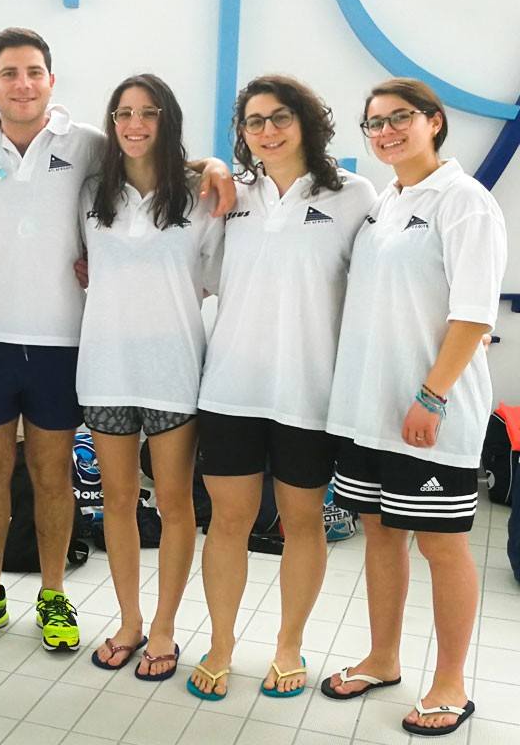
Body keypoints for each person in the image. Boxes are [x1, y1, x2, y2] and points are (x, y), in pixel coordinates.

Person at [0, 28, 234, 652]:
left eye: (34, 72)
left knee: (54, 475)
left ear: (52, 81)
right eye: (9, 73)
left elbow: (157, 160)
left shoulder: (89, 145)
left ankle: (54, 594)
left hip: (64, 342)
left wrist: (213, 164)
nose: (23, 84)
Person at [323, 78, 505, 737]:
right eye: (374, 123)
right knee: (379, 532)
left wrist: (432, 395)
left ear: (434, 122)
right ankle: (383, 657)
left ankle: (451, 682)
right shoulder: (386, 203)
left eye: (399, 118)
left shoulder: (465, 201)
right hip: (368, 410)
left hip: (431, 413)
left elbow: (474, 314)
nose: (386, 132)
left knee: (441, 545)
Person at [186, 75, 377, 701]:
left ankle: (289, 645)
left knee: (302, 523)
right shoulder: (230, 193)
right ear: (241, 132)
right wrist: (211, 166)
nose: (267, 130)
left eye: (280, 117)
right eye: (254, 121)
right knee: (228, 522)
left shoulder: (353, 195)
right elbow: (188, 254)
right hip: (230, 390)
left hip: (308, 395)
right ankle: (220, 644)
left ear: (307, 122)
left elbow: (383, 281)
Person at [79, 74, 221, 680]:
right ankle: (130, 620)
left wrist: (211, 164)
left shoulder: (200, 195)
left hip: (173, 371)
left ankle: (164, 625)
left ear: (168, 120)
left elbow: (215, 278)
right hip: (106, 368)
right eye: (124, 113)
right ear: (112, 123)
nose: (134, 124)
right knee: (116, 502)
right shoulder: (92, 192)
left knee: (174, 503)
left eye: (148, 112)